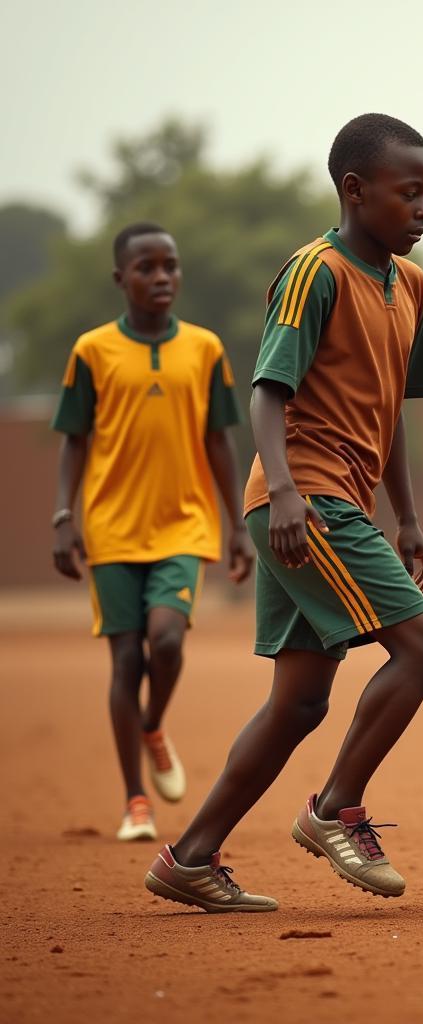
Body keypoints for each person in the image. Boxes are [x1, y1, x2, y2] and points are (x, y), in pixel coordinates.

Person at [144, 113, 423, 913]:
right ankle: (336, 809)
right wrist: (283, 491)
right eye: (408, 192)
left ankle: (193, 856)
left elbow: (388, 416)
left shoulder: (412, 286)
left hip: (334, 503)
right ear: (354, 190)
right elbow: (267, 390)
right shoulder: (315, 271)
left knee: (300, 702)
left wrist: (408, 517)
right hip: (302, 502)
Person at [51, 222, 251, 841]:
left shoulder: (205, 348)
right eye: (146, 268)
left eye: (170, 266)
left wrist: (237, 525)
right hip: (111, 529)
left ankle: (152, 725)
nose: (161, 277)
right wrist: (65, 517)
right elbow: (74, 441)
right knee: (123, 660)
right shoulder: (91, 351)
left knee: (165, 644)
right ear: (121, 278)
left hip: (183, 525)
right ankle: (135, 800)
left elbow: (220, 439)